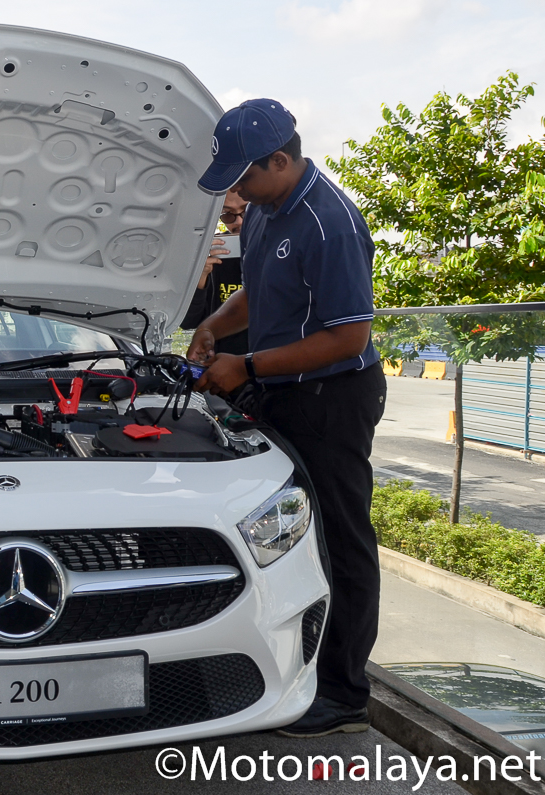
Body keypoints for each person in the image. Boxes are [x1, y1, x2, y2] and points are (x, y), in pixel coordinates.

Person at [188, 98, 386, 738]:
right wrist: (215, 327)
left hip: (333, 398)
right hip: (283, 390)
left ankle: (344, 695)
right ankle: (285, 666)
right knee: (282, 532)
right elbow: (262, 291)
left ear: (280, 159)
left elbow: (349, 337)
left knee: (340, 542)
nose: (238, 192)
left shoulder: (330, 222)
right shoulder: (267, 212)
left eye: (244, 177)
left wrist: (246, 366)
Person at [181, 191, 249, 355]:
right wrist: (200, 275)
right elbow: (190, 321)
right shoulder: (214, 254)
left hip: (273, 362)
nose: (239, 221)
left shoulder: (282, 250)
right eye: (227, 215)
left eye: (247, 210)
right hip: (223, 360)